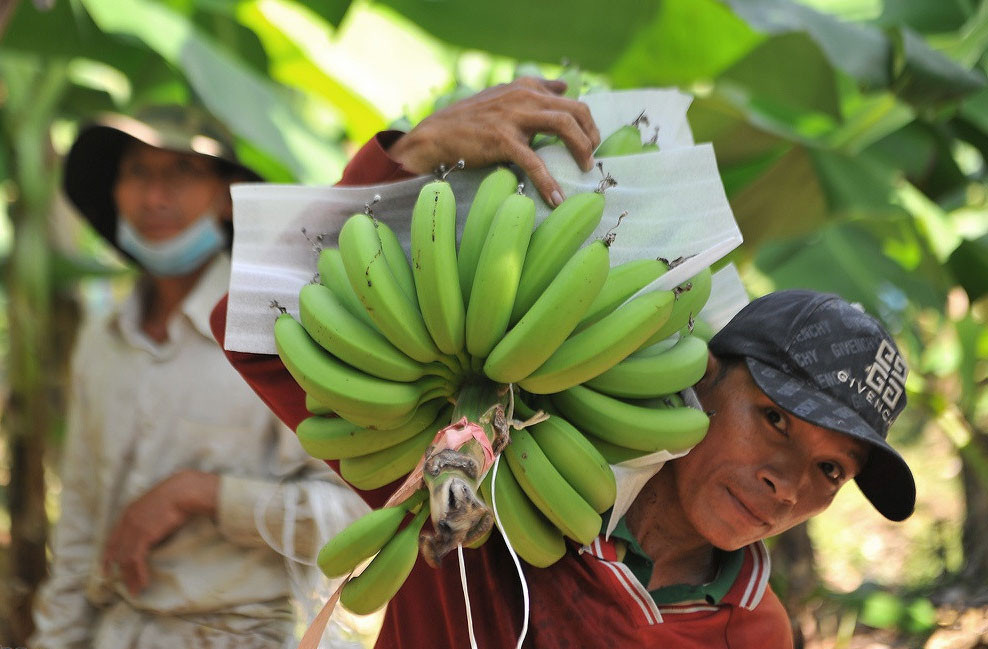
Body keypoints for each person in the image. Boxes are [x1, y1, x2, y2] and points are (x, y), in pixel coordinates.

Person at [210, 78, 916, 648]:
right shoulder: (493, 472)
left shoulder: (755, 632)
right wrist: (414, 153)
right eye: (774, 420)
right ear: (702, 375)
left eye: (832, 469)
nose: (786, 485)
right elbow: (251, 326)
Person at [30, 106, 373, 649]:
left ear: (227, 195)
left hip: (252, 634)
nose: (154, 197)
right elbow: (79, 528)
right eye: (137, 172)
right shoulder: (103, 340)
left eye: (182, 173)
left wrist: (204, 495)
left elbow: (355, 515)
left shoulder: (280, 328)